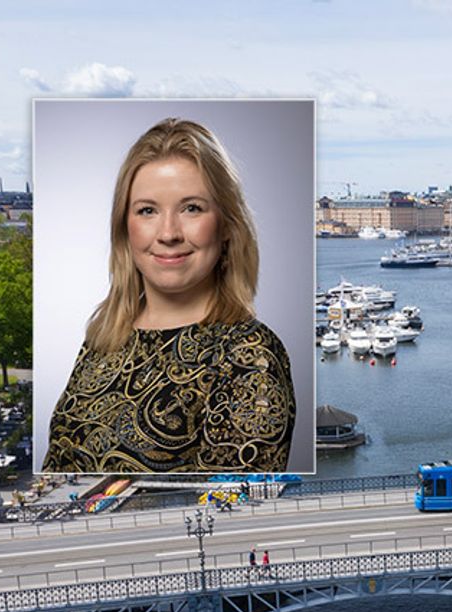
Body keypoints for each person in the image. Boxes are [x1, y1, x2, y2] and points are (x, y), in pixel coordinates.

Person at [43, 118, 296, 474]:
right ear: (125, 230)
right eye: (147, 210)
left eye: (191, 208)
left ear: (226, 226)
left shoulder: (250, 356)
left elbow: (229, 515)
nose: (168, 233)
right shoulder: (102, 340)